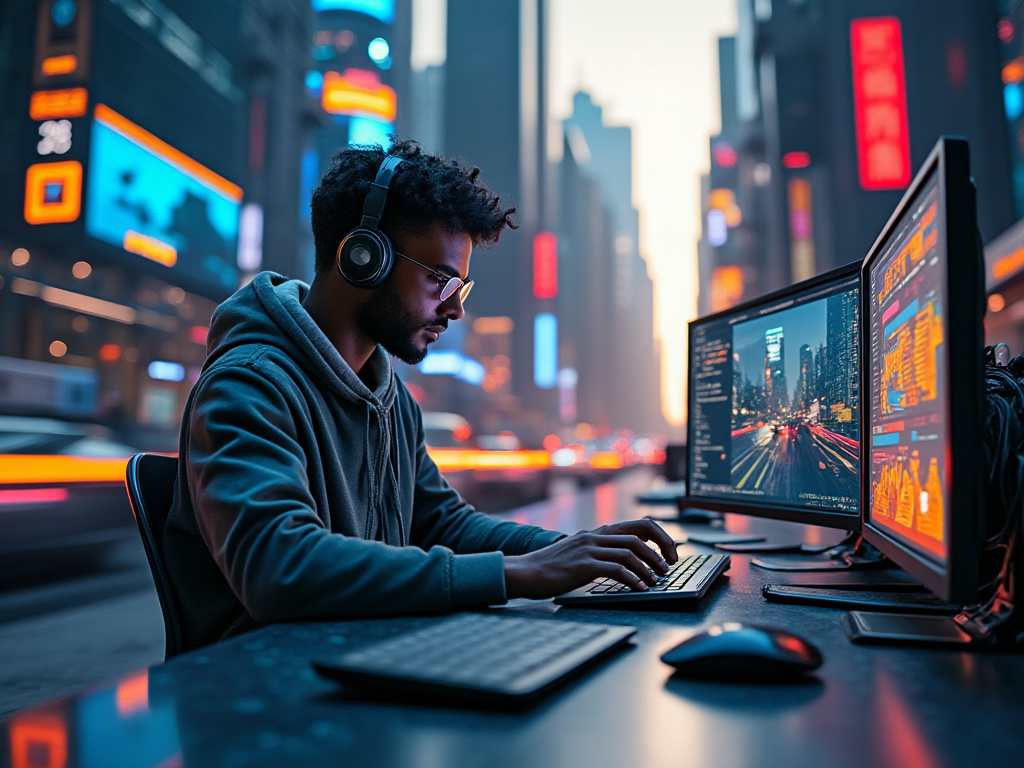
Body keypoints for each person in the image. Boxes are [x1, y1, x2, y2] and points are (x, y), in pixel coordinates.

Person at [165, 139, 677, 651]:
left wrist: (576, 551)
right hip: (259, 690)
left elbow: (440, 523)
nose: (455, 310)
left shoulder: (391, 399)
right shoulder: (248, 385)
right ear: (364, 258)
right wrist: (517, 574)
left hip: (359, 656)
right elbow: (280, 568)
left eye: (461, 289)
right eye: (441, 281)